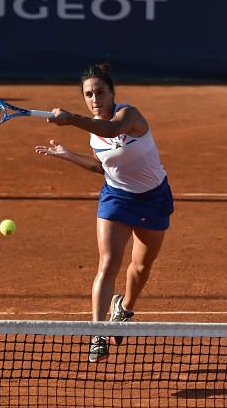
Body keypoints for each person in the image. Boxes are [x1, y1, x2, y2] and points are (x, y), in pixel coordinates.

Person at [35, 62, 174, 362]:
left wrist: (71, 119)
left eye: (100, 92)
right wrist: (67, 155)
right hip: (117, 197)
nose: (95, 99)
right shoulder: (92, 133)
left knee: (140, 267)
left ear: (112, 93)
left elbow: (111, 129)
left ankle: (123, 309)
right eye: (88, 94)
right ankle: (97, 333)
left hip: (154, 198)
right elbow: (103, 167)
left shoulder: (129, 115)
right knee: (108, 264)